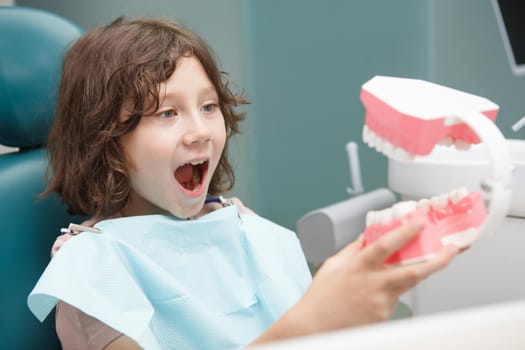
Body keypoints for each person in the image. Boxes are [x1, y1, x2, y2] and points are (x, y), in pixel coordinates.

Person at [28, 17, 459, 350]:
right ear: (107, 141)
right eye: (167, 113)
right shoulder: (91, 269)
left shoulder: (237, 222)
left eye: (209, 106)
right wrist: (316, 320)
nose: (200, 131)